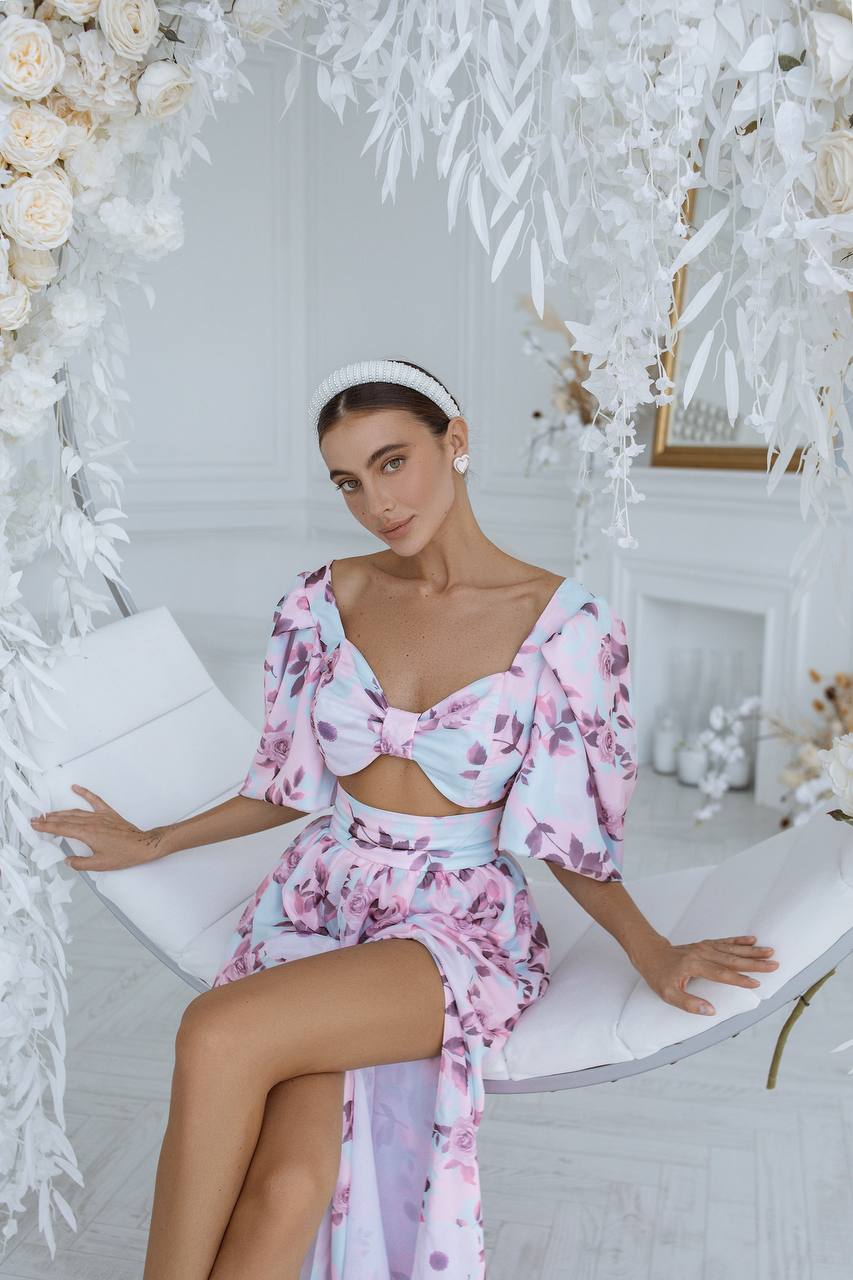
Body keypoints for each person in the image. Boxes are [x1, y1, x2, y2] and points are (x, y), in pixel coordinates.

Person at [31, 357, 778, 1280]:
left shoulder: (567, 632)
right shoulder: (320, 602)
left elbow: (569, 840)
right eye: (348, 480)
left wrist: (651, 950)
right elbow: (286, 784)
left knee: (218, 1032)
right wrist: (155, 841)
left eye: (393, 462)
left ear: (454, 442)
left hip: (458, 925)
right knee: (287, 1190)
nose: (376, 502)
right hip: (318, 904)